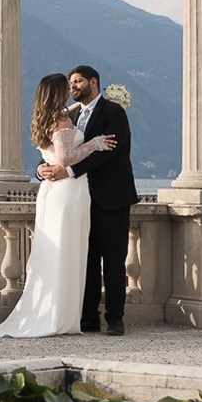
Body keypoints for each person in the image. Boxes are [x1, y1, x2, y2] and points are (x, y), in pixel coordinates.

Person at [0, 72, 114, 340]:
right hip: (68, 191)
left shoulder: (47, 117)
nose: (71, 89)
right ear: (58, 92)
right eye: (66, 87)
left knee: (56, 250)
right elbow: (66, 158)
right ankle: (61, 317)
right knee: (68, 251)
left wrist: (102, 100)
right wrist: (94, 144)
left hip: (52, 192)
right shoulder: (61, 121)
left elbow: (62, 138)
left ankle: (58, 313)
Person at [37, 63, 136, 335]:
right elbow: (56, 150)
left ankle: (115, 318)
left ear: (94, 82)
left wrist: (69, 171)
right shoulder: (69, 114)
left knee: (114, 259)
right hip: (78, 199)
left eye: (78, 81)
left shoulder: (114, 112)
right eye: (71, 83)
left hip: (111, 197)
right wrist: (41, 169)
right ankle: (88, 316)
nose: (73, 86)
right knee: (85, 258)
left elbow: (110, 153)